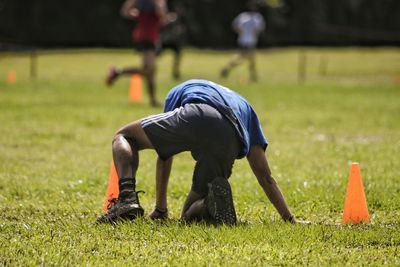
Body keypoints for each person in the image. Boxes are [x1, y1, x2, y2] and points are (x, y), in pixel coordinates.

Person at [97, 79, 299, 225]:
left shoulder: (181, 89)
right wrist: (289, 218)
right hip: (231, 137)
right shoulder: (246, 107)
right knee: (188, 214)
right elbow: (265, 176)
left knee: (124, 136)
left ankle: (127, 199)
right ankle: (208, 202)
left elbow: (165, 155)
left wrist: (161, 209)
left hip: (199, 112)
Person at [106, 0, 169, 107]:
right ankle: (117, 72)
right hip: (146, 37)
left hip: (152, 37)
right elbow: (125, 12)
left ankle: (153, 100)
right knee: (148, 69)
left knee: (151, 70)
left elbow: (162, 18)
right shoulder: (152, 2)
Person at [220, 1, 265, 82]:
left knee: (251, 59)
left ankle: (253, 76)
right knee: (243, 57)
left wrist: (241, 32)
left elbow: (235, 26)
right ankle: (227, 68)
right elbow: (259, 29)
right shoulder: (256, 17)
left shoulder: (243, 16)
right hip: (250, 41)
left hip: (243, 40)